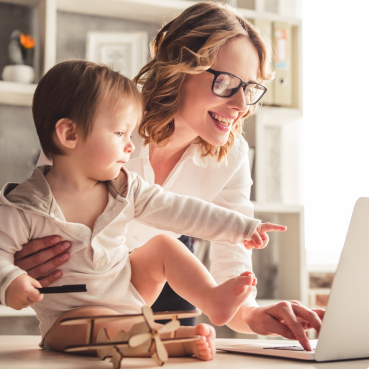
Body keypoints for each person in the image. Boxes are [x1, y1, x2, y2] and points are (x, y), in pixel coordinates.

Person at [14, 2, 324, 351]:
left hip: (159, 284)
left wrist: (253, 315)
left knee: (168, 250)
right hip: (80, 291)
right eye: (226, 82)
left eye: (249, 89)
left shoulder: (232, 157)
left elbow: (231, 267)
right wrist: (16, 263)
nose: (240, 106)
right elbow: (37, 214)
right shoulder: (104, 126)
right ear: (181, 69)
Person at [0, 60, 286, 359]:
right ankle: (177, 340)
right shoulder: (24, 205)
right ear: (69, 135)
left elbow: (182, 210)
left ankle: (211, 298)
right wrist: (10, 280)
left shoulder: (125, 188)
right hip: (70, 318)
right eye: (120, 134)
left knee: (164, 244)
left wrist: (242, 227)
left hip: (130, 290)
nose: (130, 146)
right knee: (97, 328)